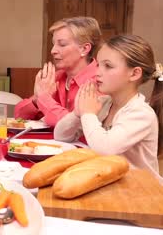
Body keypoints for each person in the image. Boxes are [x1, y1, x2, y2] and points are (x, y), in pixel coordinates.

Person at [54, 34, 162, 182]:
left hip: (142, 192)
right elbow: (61, 136)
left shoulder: (141, 113)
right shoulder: (104, 103)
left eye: (108, 66)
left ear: (134, 73)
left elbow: (104, 149)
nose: (97, 72)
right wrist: (77, 113)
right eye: (98, 64)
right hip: (113, 185)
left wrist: (88, 114)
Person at [14, 17, 103, 126]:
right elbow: (19, 115)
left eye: (62, 44)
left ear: (84, 49)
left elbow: (72, 126)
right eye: (53, 44)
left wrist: (43, 98)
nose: (53, 51)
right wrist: (36, 100)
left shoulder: (100, 80)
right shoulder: (56, 77)